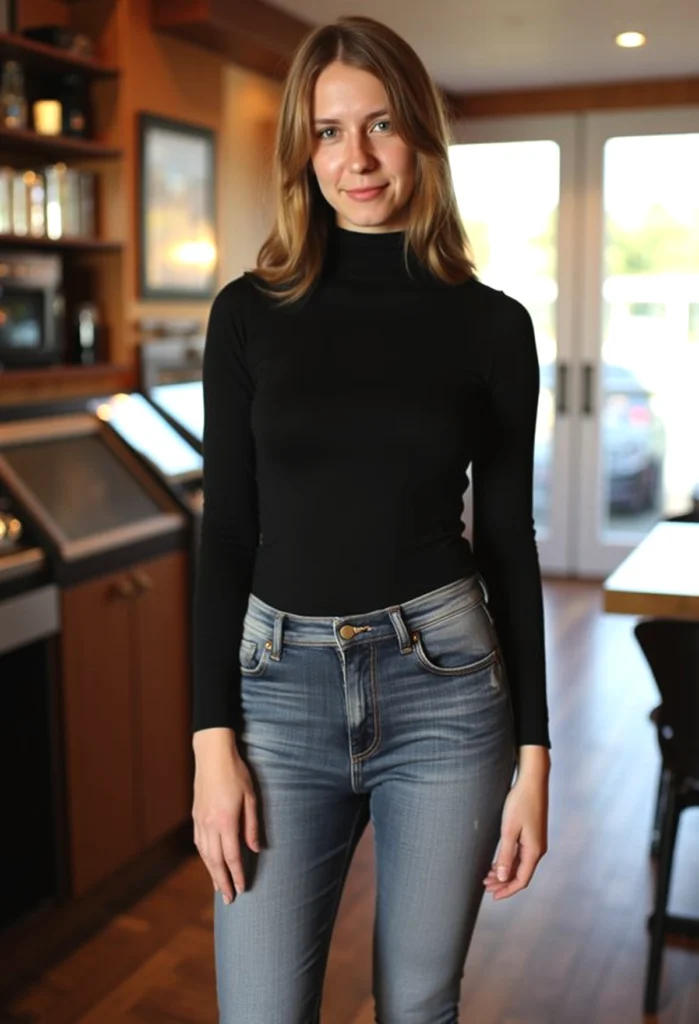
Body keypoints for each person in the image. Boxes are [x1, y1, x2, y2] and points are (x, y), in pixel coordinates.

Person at [191, 15, 551, 1024]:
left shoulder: (492, 326)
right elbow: (227, 536)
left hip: (445, 691)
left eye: (381, 123)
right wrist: (210, 742)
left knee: (420, 1006)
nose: (356, 156)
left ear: (421, 133)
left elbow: (509, 547)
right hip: (278, 701)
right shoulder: (247, 314)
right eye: (328, 131)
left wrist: (535, 763)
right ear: (302, 151)